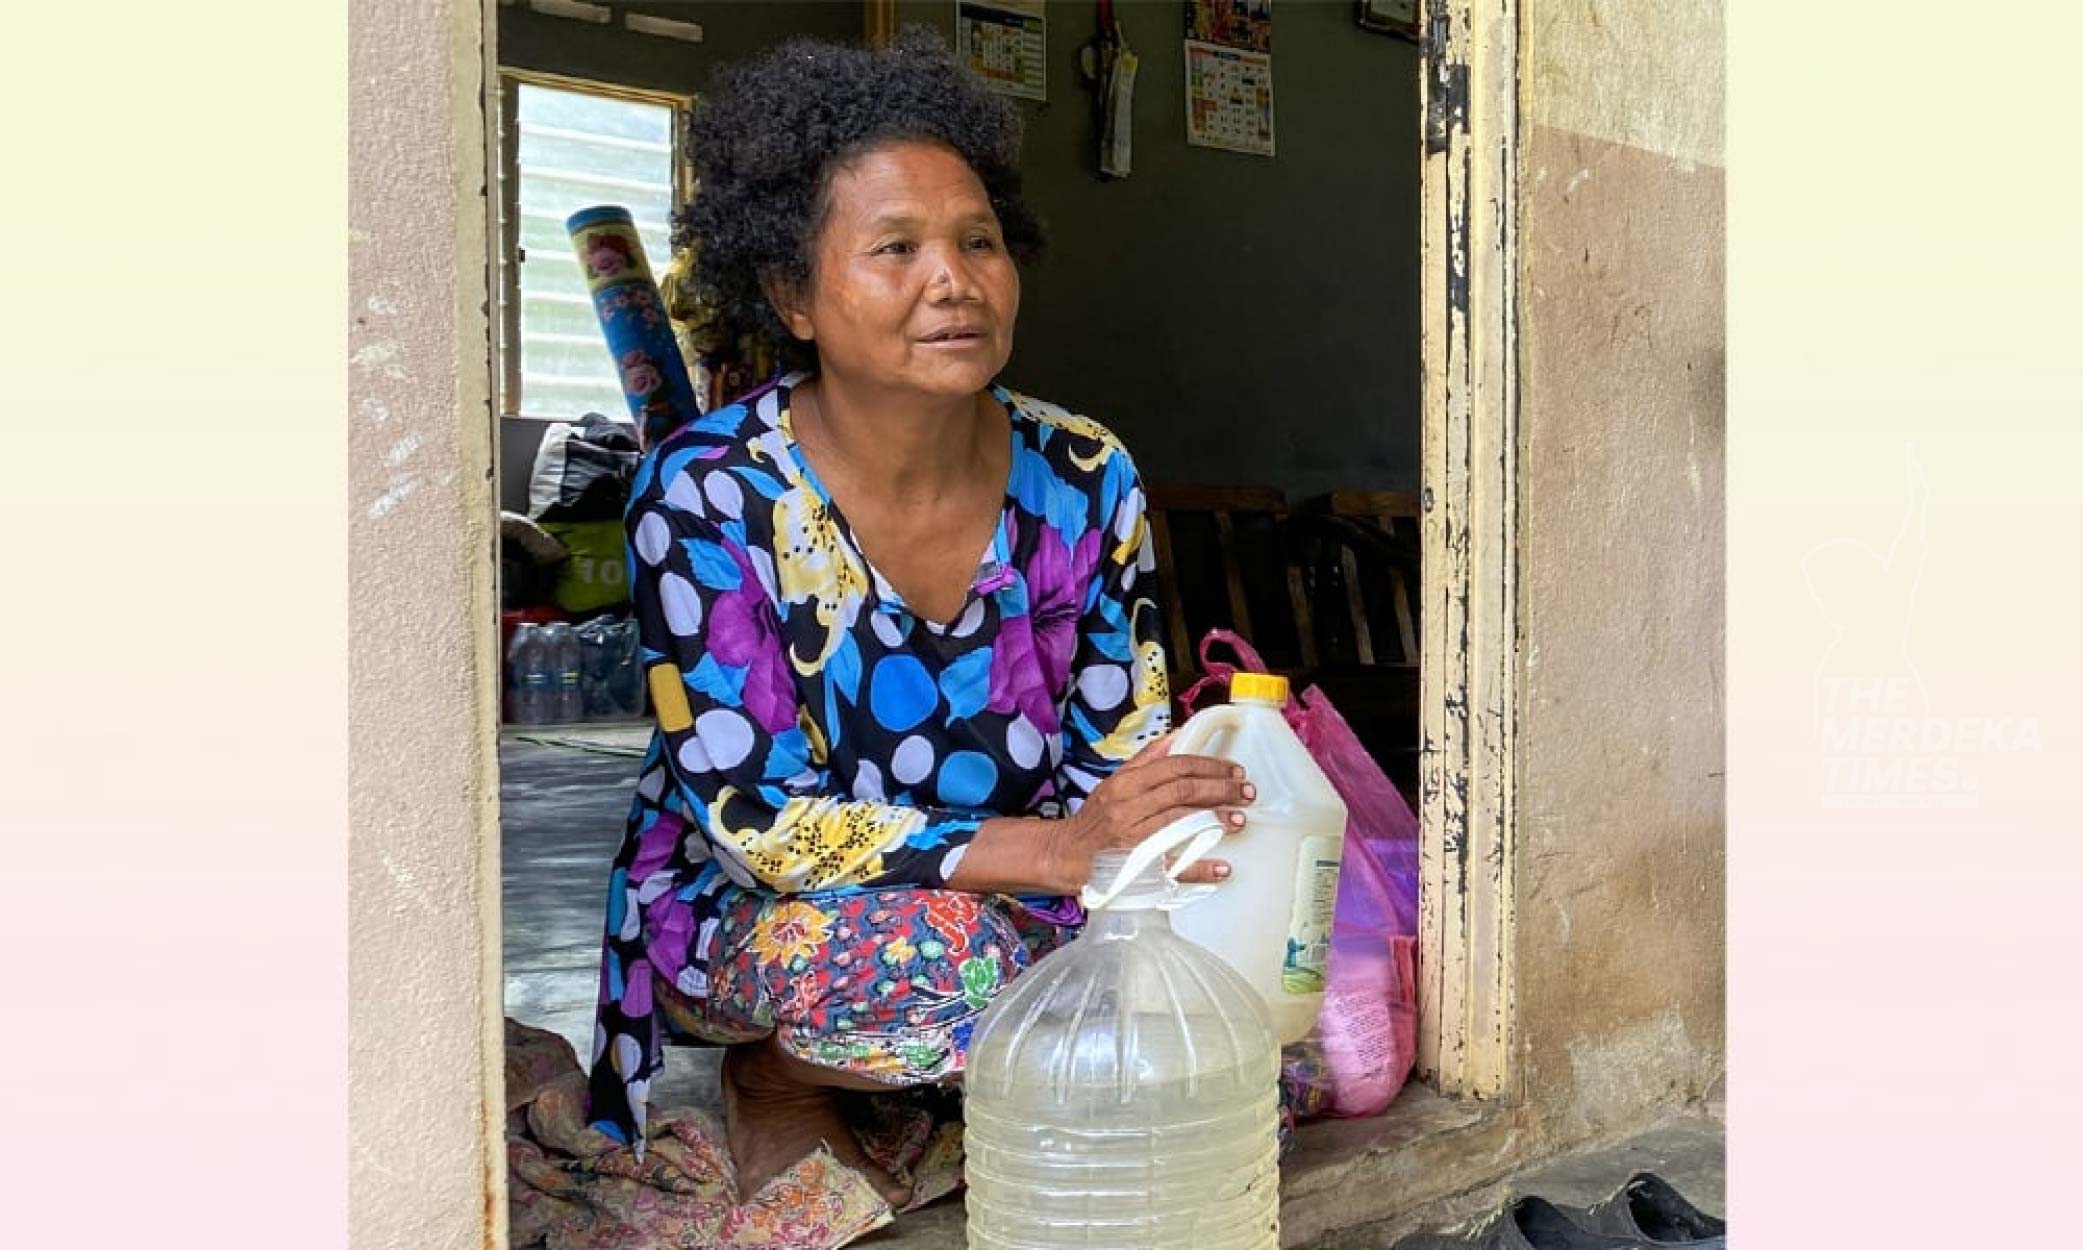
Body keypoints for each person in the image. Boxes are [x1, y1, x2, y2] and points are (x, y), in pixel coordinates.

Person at [585, 30, 1255, 1205]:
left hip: (1038, 884)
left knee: (1257, 995)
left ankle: (946, 1071)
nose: (954, 279)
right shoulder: (708, 492)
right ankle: (784, 1079)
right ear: (793, 293)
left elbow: (1120, 752)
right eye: (895, 248)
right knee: (943, 968)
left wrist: (1169, 837)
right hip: (764, 907)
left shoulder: (1085, 472)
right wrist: (1053, 851)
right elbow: (760, 819)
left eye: (978, 241)